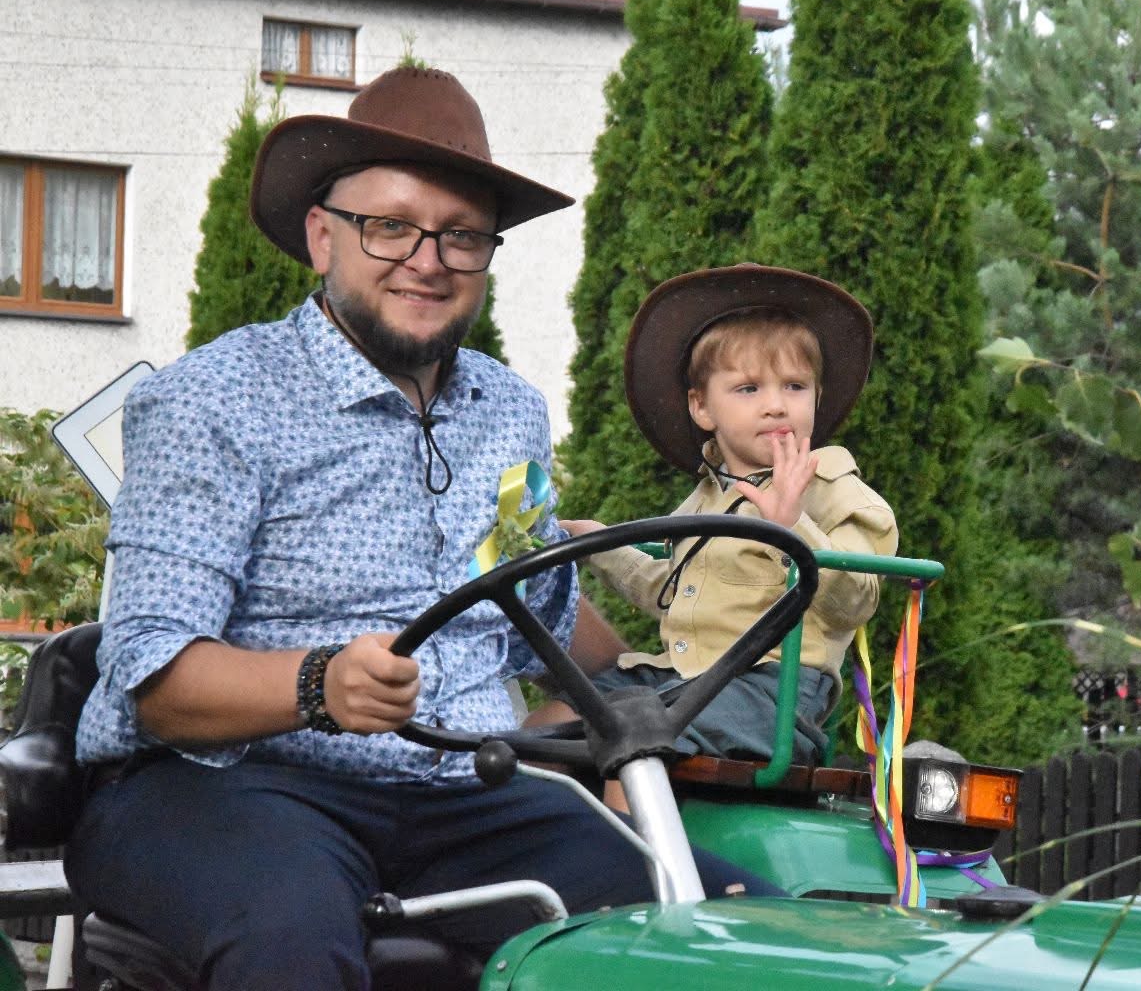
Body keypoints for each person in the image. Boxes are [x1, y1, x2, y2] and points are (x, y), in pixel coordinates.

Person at [64, 67, 776, 991]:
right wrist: (320, 683)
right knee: (290, 938)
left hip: (464, 796)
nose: (428, 259)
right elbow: (156, 681)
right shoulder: (213, 399)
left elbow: (537, 612)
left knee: (733, 932)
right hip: (224, 788)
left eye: (461, 234)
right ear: (322, 235)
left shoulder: (510, 412)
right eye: (390, 226)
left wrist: (680, 678)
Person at [528, 264, 898, 782]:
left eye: (795, 386)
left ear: (816, 398)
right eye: (748, 389)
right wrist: (599, 544)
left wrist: (793, 526)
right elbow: (675, 593)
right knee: (544, 731)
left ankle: (633, 838)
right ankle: (545, 832)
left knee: (631, 740)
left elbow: (854, 603)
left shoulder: (835, 490)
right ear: (702, 407)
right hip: (685, 681)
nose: (776, 406)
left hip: (768, 692)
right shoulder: (704, 501)